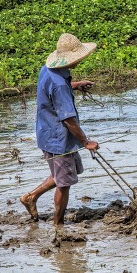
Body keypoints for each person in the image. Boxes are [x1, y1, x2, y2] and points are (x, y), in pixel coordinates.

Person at [20, 33, 100, 226]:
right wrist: (86, 142)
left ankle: (31, 197)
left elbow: (53, 88)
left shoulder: (48, 70)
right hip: (59, 139)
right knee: (64, 184)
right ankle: (58, 225)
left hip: (48, 133)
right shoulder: (59, 86)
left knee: (62, 175)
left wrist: (74, 85)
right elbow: (69, 120)